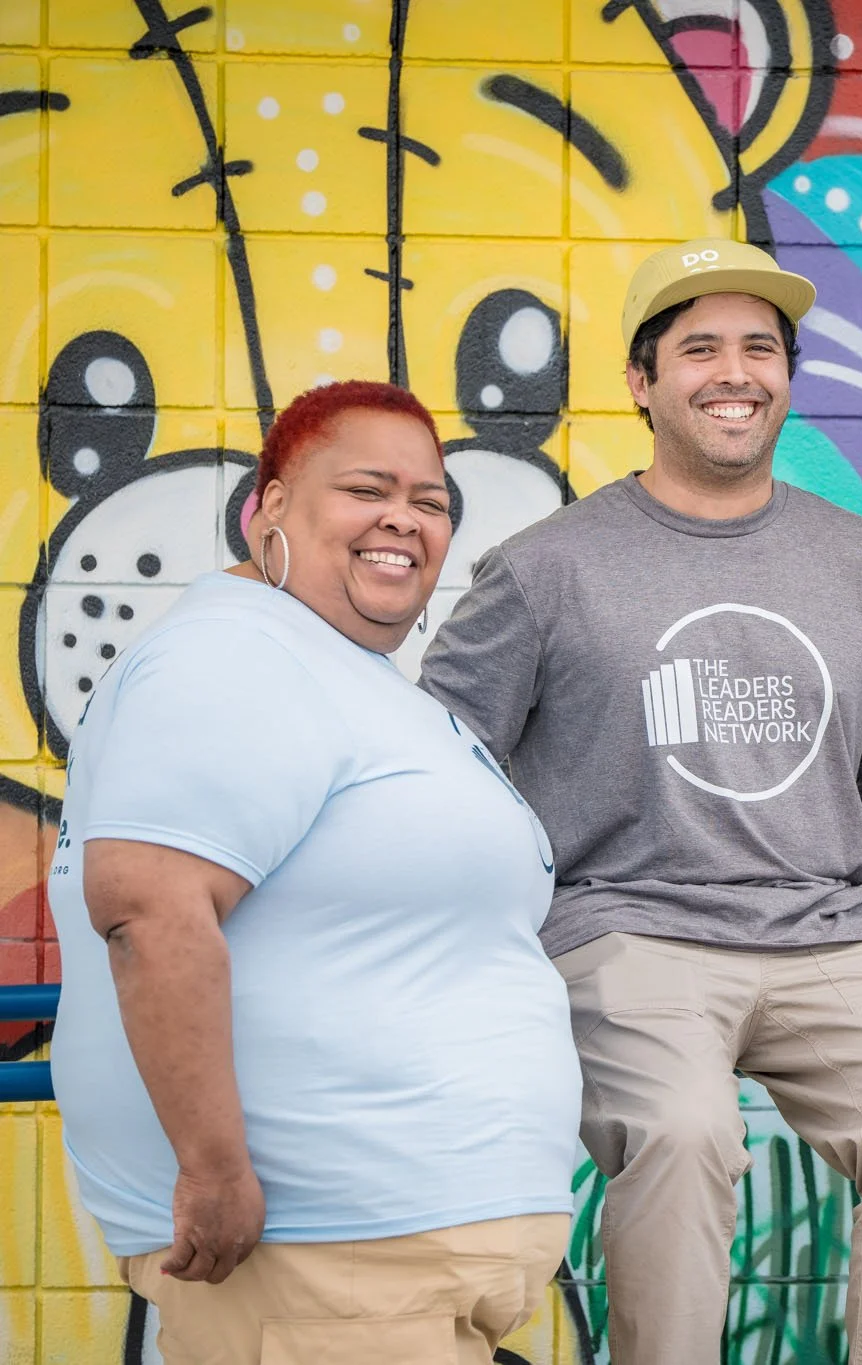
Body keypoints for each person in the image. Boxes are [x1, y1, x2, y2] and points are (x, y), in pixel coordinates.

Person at [419, 239, 862, 1363]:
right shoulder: (547, 566)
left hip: (831, 934)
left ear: (789, 375)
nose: (732, 372)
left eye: (759, 347)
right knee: (684, 1134)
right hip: (626, 931)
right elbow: (438, 766)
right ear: (642, 383)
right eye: (698, 348)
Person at [48, 380, 580, 1362]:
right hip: (325, 1257)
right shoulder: (236, 652)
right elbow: (150, 908)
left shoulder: (334, 670)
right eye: (365, 489)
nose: (403, 518)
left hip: (385, 1260)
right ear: (269, 508)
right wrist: (211, 1172)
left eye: (430, 502)